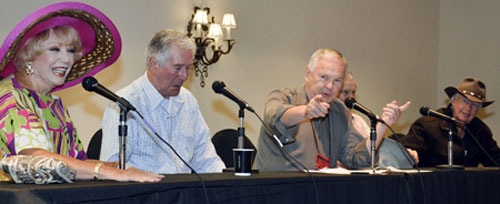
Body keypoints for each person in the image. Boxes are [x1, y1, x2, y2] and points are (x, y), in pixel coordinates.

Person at [0, 2, 162, 182]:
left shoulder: (53, 103)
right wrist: (115, 173)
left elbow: (77, 163)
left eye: (71, 51)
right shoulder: (11, 97)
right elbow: (39, 159)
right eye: (55, 49)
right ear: (28, 55)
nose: (67, 59)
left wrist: (119, 167)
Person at [253, 48, 411, 171]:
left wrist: (382, 126)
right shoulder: (282, 97)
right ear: (308, 74)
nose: (329, 86)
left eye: (337, 80)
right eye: (324, 77)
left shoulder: (339, 111)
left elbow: (356, 159)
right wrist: (306, 111)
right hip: (275, 192)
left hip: (319, 191)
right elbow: (276, 117)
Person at [100, 29, 225, 174]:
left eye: (188, 68)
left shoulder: (188, 101)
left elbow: (206, 160)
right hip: (144, 193)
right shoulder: (123, 104)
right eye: (177, 68)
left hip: (184, 193)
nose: (184, 76)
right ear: (154, 64)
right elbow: (112, 167)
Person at [402, 77, 500, 167]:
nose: (468, 108)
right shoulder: (428, 125)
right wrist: (409, 154)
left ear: (479, 110)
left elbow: (496, 160)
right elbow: (405, 154)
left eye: (474, 105)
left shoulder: (481, 131)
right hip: (430, 184)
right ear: (453, 100)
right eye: (464, 101)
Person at [337, 72, 370, 138]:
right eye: (346, 92)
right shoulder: (327, 121)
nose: (351, 97)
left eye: (353, 92)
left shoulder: (359, 121)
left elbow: (370, 145)